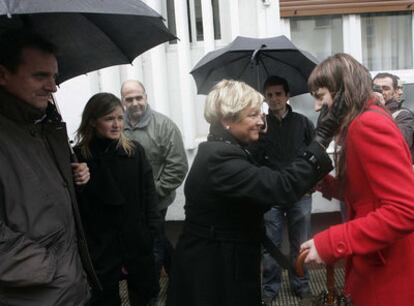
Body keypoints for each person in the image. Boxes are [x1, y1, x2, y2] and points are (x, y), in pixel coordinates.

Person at [166, 79, 346, 306]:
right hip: (213, 270)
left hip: (222, 260)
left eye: (260, 113)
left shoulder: (225, 149)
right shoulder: (220, 160)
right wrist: (321, 138)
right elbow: (281, 187)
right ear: (227, 119)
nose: (261, 121)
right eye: (252, 115)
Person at [301, 53, 414, 306]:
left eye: (320, 97)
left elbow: (405, 210)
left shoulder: (367, 124)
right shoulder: (364, 119)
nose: (317, 107)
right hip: (377, 259)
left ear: (342, 92)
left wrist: (330, 243)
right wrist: (325, 183)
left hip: (386, 270)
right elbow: (368, 194)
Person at [0, 29, 99, 305]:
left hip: (68, 290)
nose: (53, 86)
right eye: (40, 76)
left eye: (54, 76)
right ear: (3, 75)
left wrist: (71, 177)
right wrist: (52, 269)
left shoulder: (42, 128)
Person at [74, 93, 162, 306]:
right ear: (93, 121)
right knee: (104, 298)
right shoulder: (79, 158)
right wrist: (78, 181)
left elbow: (149, 195)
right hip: (102, 247)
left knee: (144, 294)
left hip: (137, 240)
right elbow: (79, 209)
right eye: (109, 119)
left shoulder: (134, 152)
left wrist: (152, 233)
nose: (116, 124)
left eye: (120, 118)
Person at [250, 76, 314, 303]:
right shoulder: (259, 124)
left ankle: (302, 284)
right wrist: (260, 136)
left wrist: (310, 185)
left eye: (278, 94)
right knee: (270, 245)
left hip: (299, 194)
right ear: (265, 98)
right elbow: (253, 160)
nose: (274, 98)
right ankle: (270, 289)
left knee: (302, 243)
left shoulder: (303, 122)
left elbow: (315, 155)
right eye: (269, 95)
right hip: (271, 194)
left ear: (287, 96)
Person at [120, 80, 188, 287]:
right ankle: (178, 274)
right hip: (127, 203)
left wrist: (152, 194)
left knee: (153, 245)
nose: (134, 103)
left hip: (156, 202)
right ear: (123, 101)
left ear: (146, 97)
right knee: (157, 237)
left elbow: (178, 167)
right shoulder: (116, 125)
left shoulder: (164, 126)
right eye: (129, 99)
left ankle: (150, 292)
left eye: (138, 97)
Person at [373, 72, 414, 151]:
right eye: (376, 88)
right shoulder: (363, 110)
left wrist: (381, 108)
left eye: (386, 88)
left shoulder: (403, 115)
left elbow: (401, 142)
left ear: (394, 92)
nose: (381, 92)